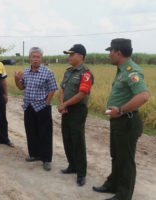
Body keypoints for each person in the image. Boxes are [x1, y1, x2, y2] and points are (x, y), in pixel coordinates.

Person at [92, 38, 149, 200]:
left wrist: (122, 110)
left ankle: (124, 195)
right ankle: (113, 185)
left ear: (118, 52)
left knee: (126, 160)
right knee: (116, 156)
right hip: (119, 122)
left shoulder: (131, 71)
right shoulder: (122, 70)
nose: (109, 55)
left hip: (127, 122)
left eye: (111, 51)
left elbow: (143, 96)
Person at [14, 47, 57, 171]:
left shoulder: (47, 72)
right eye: (33, 57)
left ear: (41, 58)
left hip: (42, 107)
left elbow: (52, 88)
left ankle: (46, 159)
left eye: (38, 57)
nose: (36, 59)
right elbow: (21, 87)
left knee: (45, 134)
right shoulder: (26, 72)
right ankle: (34, 154)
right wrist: (16, 80)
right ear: (29, 58)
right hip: (29, 106)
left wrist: (47, 102)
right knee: (31, 131)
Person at [58, 44, 94, 186]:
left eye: (72, 54)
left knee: (77, 140)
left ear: (80, 56)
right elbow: (62, 88)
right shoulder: (68, 72)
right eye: (69, 54)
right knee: (66, 138)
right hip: (66, 109)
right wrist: (62, 104)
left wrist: (65, 105)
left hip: (77, 110)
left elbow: (82, 94)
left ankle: (81, 172)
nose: (69, 57)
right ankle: (72, 165)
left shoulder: (85, 73)